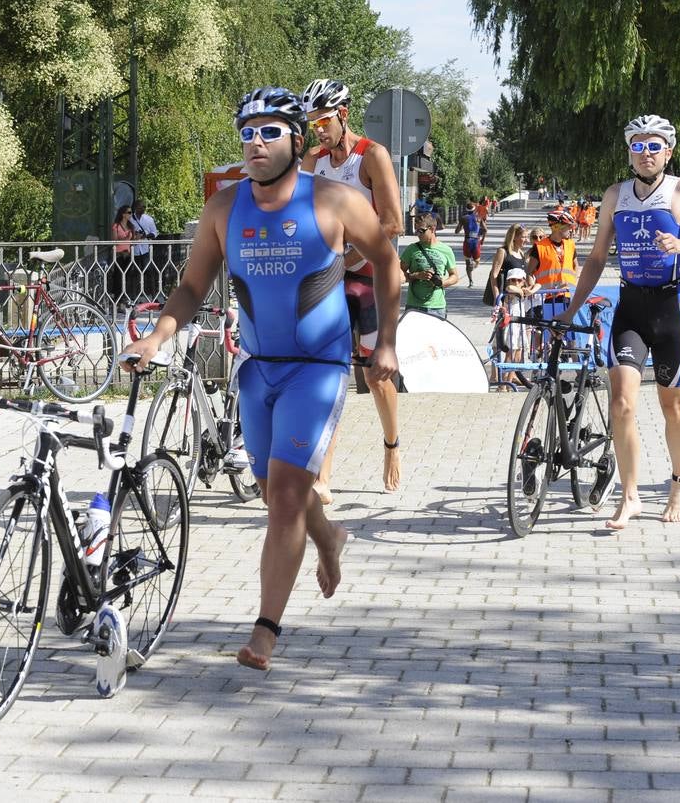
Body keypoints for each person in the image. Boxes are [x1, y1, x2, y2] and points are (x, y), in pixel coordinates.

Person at [121, 86, 399, 670]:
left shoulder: (336, 200)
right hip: (255, 370)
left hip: (317, 368)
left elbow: (385, 260)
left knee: (287, 496)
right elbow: (193, 286)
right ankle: (329, 537)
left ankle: (265, 631)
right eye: (247, 133)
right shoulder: (224, 209)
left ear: (297, 140)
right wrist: (157, 337)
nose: (255, 143)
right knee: (279, 492)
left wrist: (388, 344)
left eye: (269, 132)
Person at [562, 114, 680, 528]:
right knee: (621, 402)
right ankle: (629, 495)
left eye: (654, 147)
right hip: (630, 307)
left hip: (670, 310)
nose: (646, 154)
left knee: (673, 405)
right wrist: (570, 307)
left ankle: (678, 483)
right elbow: (597, 257)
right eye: (638, 146)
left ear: (667, 152)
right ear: (629, 152)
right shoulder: (615, 195)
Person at [300, 78, 405, 496]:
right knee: (329, 374)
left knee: (378, 376)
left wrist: (349, 257)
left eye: (324, 121)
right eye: (312, 123)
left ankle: (392, 444)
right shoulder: (313, 160)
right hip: (330, 279)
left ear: (343, 115)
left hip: (370, 275)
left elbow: (394, 223)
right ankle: (323, 476)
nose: (318, 130)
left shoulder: (372, 156)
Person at [402, 212, 459, 317]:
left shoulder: (446, 250)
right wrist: (417, 275)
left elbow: (454, 276)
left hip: (437, 308)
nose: (418, 234)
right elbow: (399, 274)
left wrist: (442, 283)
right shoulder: (411, 249)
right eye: (416, 230)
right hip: (414, 307)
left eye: (421, 231)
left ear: (432, 229)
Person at [527, 208, 579, 317]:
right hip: (548, 298)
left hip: (570, 296)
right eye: (569, 227)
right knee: (550, 332)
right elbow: (529, 272)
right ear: (558, 227)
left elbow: (575, 266)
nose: (571, 230)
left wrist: (574, 283)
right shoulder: (540, 247)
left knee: (568, 332)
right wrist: (533, 290)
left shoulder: (571, 244)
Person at [486, 223, 531, 304]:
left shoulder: (522, 254)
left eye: (527, 237)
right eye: (524, 237)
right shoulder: (503, 252)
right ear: (514, 237)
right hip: (506, 300)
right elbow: (494, 275)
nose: (527, 240)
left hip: (520, 301)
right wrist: (497, 298)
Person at [129, 199, 159, 297]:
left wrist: (145, 236)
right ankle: (134, 297)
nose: (143, 209)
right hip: (134, 250)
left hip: (145, 250)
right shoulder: (130, 219)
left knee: (149, 273)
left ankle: (154, 297)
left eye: (144, 207)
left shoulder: (149, 219)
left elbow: (155, 233)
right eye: (141, 207)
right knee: (134, 274)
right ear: (136, 208)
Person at [109, 204, 135, 308]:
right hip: (119, 254)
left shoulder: (131, 226)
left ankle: (125, 297)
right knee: (119, 276)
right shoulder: (116, 226)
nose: (130, 214)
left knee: (127, 276)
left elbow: (132, 241)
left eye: (131, 212)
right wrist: (125, 239)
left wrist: (136, 238)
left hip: (128, 253)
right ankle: (118, 299)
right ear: (123, 214)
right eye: (129, 212)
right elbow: (114, 240)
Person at [455, 205, 486, 287]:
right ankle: (473, 265)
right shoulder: (479, 217)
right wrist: (483, 239)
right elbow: (485, 229)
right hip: (476, 241)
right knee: (477, 261)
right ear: (474, 209)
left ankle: (470, 281)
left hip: (467, 241)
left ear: (466, 209)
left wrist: (461, 227)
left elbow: (456, 231)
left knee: (467, 263)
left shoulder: (463, 218)